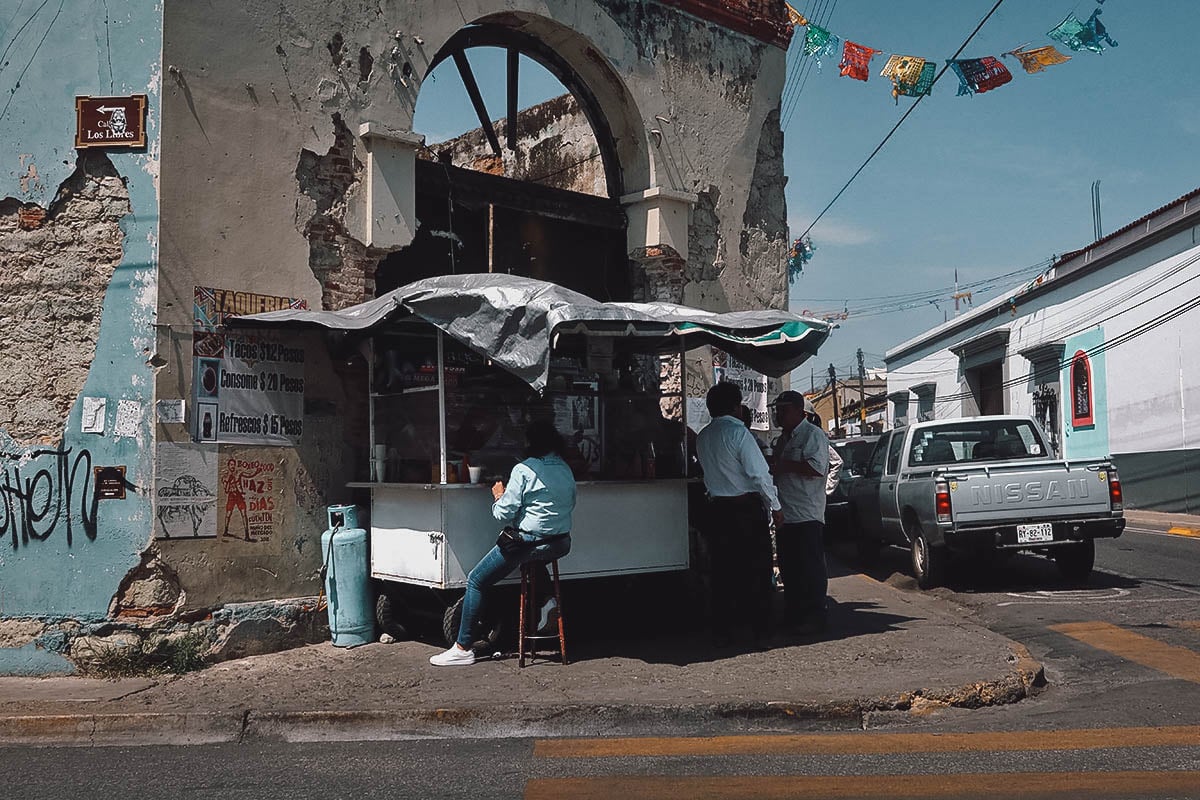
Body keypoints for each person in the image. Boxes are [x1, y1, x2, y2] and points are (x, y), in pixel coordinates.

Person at [429, 420, 576, 667]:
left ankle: (463, 648)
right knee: (532, 556)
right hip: (560, 543)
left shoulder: (524, 470)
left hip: (527, 543)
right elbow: (570, 502)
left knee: (476, 579)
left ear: (530, 443)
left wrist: (498, 495)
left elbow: (502, 514)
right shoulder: (564, 468)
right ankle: (548, 600)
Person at [695, 381, 783, 647]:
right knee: (756, 571)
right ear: (736, 406)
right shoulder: (739, 434)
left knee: (723, 573)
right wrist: (775, 506)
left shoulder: (703, 436)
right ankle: (761, 631)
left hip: (717, 509)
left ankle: (725, 630)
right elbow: (759, 474)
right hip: (743, 509)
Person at [769, 391, 836, 634]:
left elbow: (817, 469)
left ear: (799, 411)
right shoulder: (783, 438)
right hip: (786, 514)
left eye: (783, 410)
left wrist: (782, 465)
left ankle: (816, 616)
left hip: (807, 514)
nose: (779, 415)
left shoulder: (812, 435)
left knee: (810, 569)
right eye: (777, 410)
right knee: (790, 569)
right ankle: (794, 614)